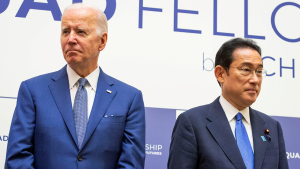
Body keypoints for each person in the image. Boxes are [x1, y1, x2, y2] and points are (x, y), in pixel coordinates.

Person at [5, 3, 145, 169]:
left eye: (80, 32)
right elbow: (17, 159)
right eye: (65, 31)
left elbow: (131, 165)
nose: (71, 39)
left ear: (102, 41)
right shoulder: (32, 91)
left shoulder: (129, 98)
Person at [168, 38, 289, 169]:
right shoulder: (192, 123)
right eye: (246, 70)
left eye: (259, 71)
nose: (255, 79)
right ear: (220, 74)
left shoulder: (272, 127)